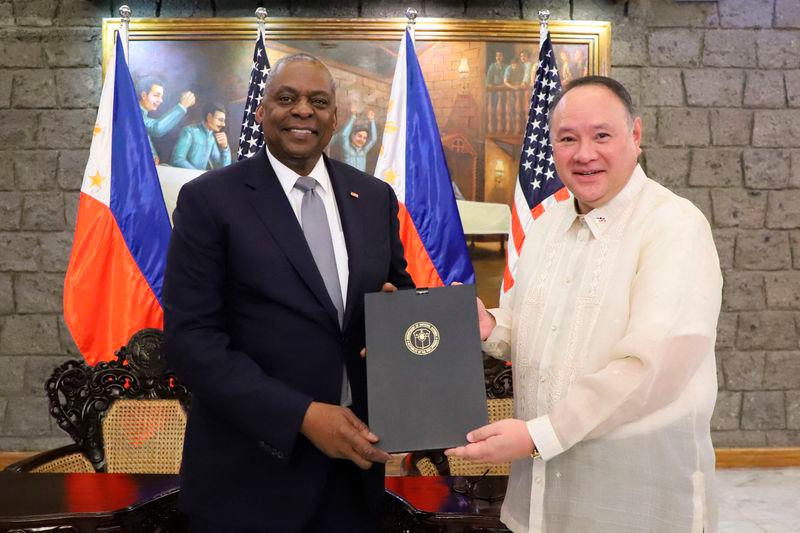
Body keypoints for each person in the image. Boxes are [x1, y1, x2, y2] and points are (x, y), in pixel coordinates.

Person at [446, 76, 722, 532]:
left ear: (636, 135)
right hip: (535, 503)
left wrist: (538, 436)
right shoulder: (546, 226)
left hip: (630, 503)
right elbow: (530, 324)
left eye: (602, 135)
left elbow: (650, 368)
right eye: (568, 138)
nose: (584, 154)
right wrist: (490, 325)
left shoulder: (674, 227)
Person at [163, 54, 413, 532]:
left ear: (335, 118)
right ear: (261, 111)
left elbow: (395, 292)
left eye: (319, 102)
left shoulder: (374, 197)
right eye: (287, 98)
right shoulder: (209, 200)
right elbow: (191, 340)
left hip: (355, 475)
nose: (304, 111)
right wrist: (301, 416)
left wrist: (399, 320)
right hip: (248, 479)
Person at [137, 76, 196, 164]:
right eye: (156, 95)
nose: (160, 100)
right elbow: (156, 128)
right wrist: (182, 107)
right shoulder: (134, 114)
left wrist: (153, 155)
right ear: (144, 95)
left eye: (161, 96)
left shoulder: (140, 113)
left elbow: (145, 138)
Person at [170, 102, 232, 170]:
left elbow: (221, 166)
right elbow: (177, 159)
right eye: (220, 120)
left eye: (224, 121)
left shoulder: (211, 137)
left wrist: (225, 148)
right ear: (209, 117)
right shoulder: (189, 131)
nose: (223, 124)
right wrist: (198, 174)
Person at [341, 104, 377, 172]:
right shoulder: (347, 148)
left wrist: (372, 120)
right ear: (353, 136)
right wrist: (353, 116)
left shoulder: (364, 151)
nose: (362, 140)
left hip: (360, 180)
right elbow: (344, 135)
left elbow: (373, 139)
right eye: (359, 136)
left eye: (364, 138)